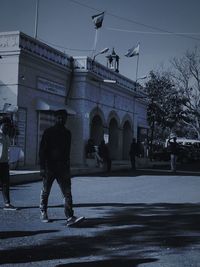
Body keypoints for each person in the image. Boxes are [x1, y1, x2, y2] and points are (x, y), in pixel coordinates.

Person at [39, 109, 84, 225]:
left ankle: (70, 216)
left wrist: (68, 166)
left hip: (63, 167)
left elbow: (67, 151)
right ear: (55, 118)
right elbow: (42, 150)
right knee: (46, 191)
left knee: (67, 192)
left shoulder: (68, 133)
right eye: (59, 117)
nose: (61, 119)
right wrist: (42, 167)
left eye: (63, 118)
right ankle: (43, 212)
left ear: (66, 119)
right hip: (50, 166)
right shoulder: (48, 132)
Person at [0, 117, 17, 210]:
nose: (6, 127)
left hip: (4, 163)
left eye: (8, 126)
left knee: (5, 184)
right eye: (5, 125)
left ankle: (7, 204)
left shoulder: (6, 136)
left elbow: (8, 149)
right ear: (1, 124)